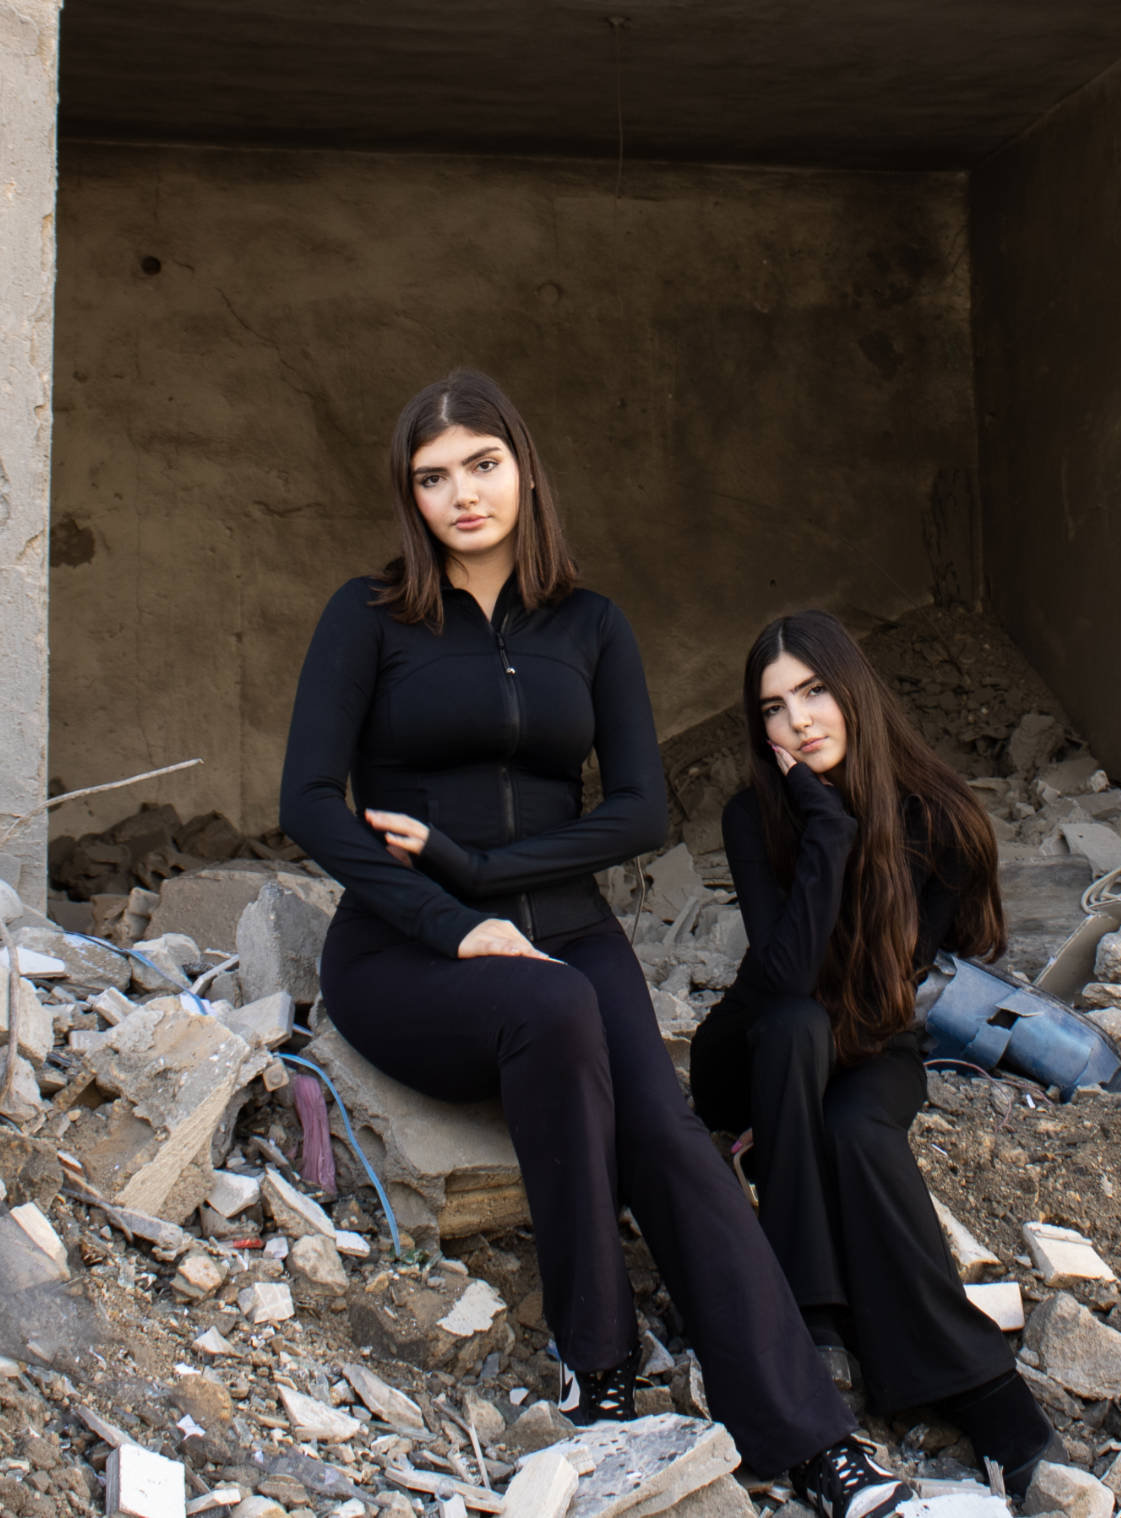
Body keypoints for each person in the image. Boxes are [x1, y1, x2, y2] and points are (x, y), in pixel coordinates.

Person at [279, 373, 910, 1518]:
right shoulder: (367, 617)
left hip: (570, 926)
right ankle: (598, 1366)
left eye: (482, 465)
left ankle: (815, 1443)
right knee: (557, 1012)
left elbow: (636, 811)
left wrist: (483, 873)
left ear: (524, 469)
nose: (461, 494)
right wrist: (450, 920)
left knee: (666, 1129)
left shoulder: (590, 624)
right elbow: (313, 802)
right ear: (408, 496)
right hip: (404, 952)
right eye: (433, 477)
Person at [689, 609, 1055, 1494]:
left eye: (814, 693)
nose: (798, 721)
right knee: (795, 1025)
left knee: (858, 1134)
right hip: (754, 1052)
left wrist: (847, 834)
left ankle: (974, 1384)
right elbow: (779, 982)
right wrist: (825, 833)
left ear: (852, 692)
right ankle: (811, 1323)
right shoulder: (756, 816)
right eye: (774, 708)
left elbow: (889, 991)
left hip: (872, 1037)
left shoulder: (940, 823)